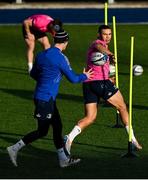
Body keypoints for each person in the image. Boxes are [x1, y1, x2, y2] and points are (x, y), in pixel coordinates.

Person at [7, 30, 93, 168]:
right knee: (42, 131)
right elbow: (74, 79)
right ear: (65, 42)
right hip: (45, 99)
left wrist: (46, 79)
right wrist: (85, 76)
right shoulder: (61, 58)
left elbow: (33, 74)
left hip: (44, 97)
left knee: (57, 126)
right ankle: (14, 148)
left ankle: (63, 159)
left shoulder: (41, 55)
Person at [64, 25, 142, 155]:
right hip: (100, 83)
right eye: (105, 34)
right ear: (99, 34)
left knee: (90, 117)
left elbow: (101, 64)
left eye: (110, 34)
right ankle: (133, 140)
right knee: (122, 107)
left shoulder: (103, 46)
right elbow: (99, 48)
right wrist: (110, 54)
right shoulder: (97, 43)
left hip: (88, 84)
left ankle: (69, 137)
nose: (108, 37)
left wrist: (110, 76)